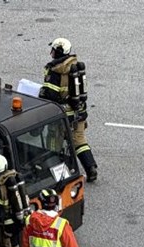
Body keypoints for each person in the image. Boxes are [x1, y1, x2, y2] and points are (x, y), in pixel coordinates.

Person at [39, 37, 99, 182]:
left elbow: (51, 95)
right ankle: (91, 168)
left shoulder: (55, 71)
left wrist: (42, 92)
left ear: (58, 52)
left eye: (52, 50)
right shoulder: (75, 65)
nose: (50, 53)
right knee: (79, 141)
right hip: (79, 112)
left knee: (54, 144)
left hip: (62, 114)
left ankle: (57, 175)